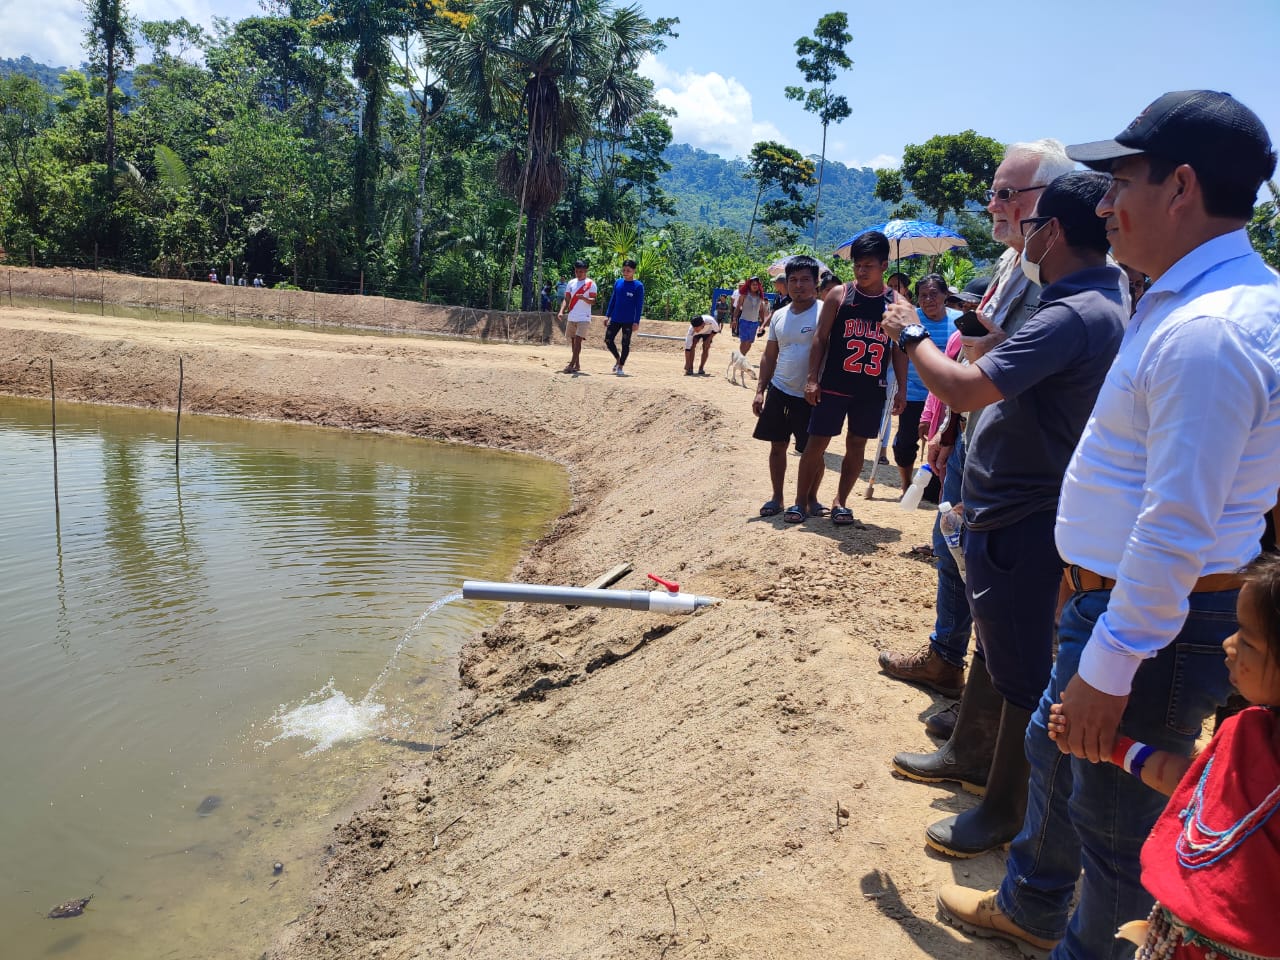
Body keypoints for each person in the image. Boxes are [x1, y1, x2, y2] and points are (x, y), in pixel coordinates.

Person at [937, 90, 1280, 960]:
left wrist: (1113, 660)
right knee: (1063, 769)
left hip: (1149, 619)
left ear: (1182, 187)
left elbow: (1178, 523)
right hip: (1120, 602)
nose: (1103, 206)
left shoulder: (1209, 331)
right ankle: (1030, 905)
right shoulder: (1198, 299)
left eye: (1120, 180)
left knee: (1118, 834)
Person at [884, 171, 1127, 859]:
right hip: (1017, 511)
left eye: (1029, 222)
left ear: (1051, 231)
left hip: (1027, 517)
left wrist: (909, 335)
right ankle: (972, 756)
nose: (1019, 232)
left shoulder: (1073, 313)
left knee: (1024, 673)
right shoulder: (1085, 304)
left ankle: (1003, 811)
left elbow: (961, 389)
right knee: (998, 645)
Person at [877, 140, 1074, 736]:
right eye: (993, 192)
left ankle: (989, 716)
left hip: (1021, 459)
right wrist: (949, 430)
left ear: (1050, 206)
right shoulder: (1015, 265)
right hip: (978, 434)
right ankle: (950, 661)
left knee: (995, 576)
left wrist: (913, 333)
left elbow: (997, 370)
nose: (993, 204)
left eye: (1007, 194)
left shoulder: (1061, 282)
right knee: (952, 549)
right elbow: (983, 350)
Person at [1044, 551, 1280, 960]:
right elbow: (1189, 781)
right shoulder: (1247, 731)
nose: (1228, 644)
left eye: (1247, 638)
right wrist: (1113, 746)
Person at [788, 231, 907, 525]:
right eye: (857, 265)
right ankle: (800, 501)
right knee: (817, 443)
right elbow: (820, 338)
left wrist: (901, 388)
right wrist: (812, 378)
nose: (861, 271)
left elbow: (900, 349)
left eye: (868, 265)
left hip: (871, 388)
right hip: (835, 383)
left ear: (884, 265)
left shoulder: (896, 304)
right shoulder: (840, 296)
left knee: (858, 445)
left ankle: (841, 502)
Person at [752, 255, 826, 519]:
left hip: (811, 394)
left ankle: (811, 498)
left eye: (805, 279)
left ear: (816, 282)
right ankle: (777, 497)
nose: (798, 285)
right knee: (777, 445)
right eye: (793, 280)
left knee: (813, 451)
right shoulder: (779, 315)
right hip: (780, 388)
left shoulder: (824, 312)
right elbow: (769, 355)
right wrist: (761, 389)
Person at [892, 274, 960, 494]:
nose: (928, 300)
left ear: (945, 296)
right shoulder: (911, 321)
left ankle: (936, 486)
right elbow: (900, 356)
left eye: (934, 294)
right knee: (905, 443)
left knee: (939, 443)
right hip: (914, 391)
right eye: (923, 296)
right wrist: (901, 390)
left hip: (946, 396)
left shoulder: (958, 321)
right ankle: (906, 483)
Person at [604, 258, 644, 376]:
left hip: (628, 320)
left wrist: (636, 321)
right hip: (616, 318)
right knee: (608, 340)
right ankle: (617, 359)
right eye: (624, 270)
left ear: (634, 271)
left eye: (628, 270)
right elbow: (613, 299)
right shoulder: (618, 282)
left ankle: (621, 366)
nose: (626, 273)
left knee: (625, 343)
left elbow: (639, 305)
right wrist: (607, 315)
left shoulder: (638, 286)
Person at [557, 260, 596, 375]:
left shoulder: (590, 284)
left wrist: (584, 298)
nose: (578, 273)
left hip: (584, 316)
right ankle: (577, 364)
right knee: (573, 341)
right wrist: (561, 311)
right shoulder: (571, 283)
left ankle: (571, 365)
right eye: (576, 271)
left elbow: (594, 301)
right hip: (572, 315)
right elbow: (567, 299)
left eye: (581, 271)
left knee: (578, 341)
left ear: (586, 271)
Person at [731, 276, 769, 356]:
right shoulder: (744, 295)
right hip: (744, 321)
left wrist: (762, 323)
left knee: (750, 342)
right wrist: (734, 319)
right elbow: (738, 307)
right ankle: (742, 358)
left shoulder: (760, 297)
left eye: (756, 284)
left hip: (754, 323)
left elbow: (761, 310)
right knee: (744, 341)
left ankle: (742, 357)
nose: (755, 286)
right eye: (753, 284)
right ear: (749, 285)